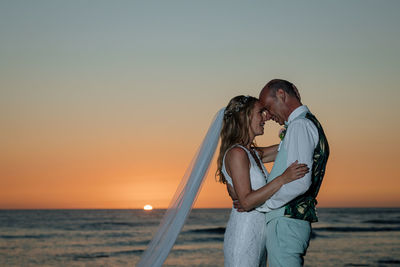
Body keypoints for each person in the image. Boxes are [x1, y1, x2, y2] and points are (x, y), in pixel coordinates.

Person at [231, 80, 330, 267]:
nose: (267, 115)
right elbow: (255, 154)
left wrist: (260, 205)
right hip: (288, 221)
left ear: (281, 95)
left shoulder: (300, 126)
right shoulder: (305, 124)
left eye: (267, 107)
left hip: (285, 220)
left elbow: (299, 182)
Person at [216, 95, 310, 267]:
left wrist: (291, 128)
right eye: (261, 112)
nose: (266, 117)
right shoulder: (237, 154)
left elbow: (284, 148)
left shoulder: (251, 153)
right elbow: (246, 201)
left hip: (259, 235)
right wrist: (282, 179)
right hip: (244, 236)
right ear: (245, 117)